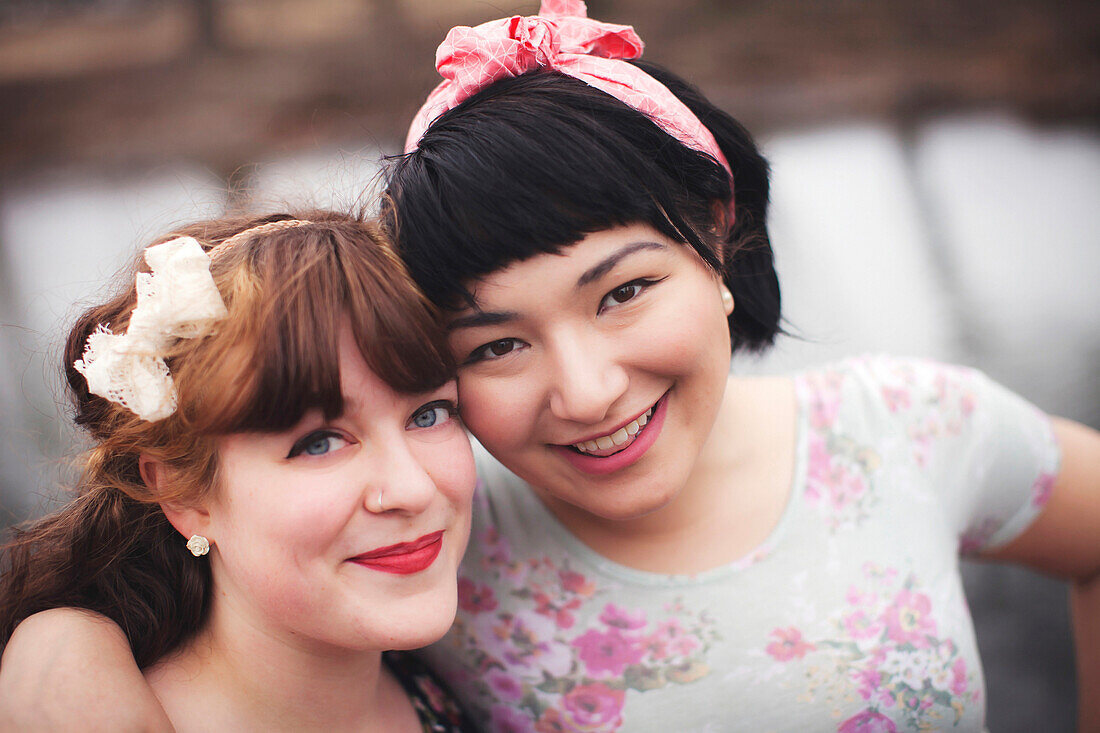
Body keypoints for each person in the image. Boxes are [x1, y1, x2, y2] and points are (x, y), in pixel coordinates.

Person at [5, 2, 1100, 731]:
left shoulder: (903, 425)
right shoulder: (441, 548)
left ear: (716, 237)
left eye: (622, 292)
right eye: (493, 347)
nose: (583, 391)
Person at [0, 213, 478, 731]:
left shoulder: (450, 677)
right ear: (184, 496)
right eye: (318, 443)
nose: (413, 488)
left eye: (428, 415)